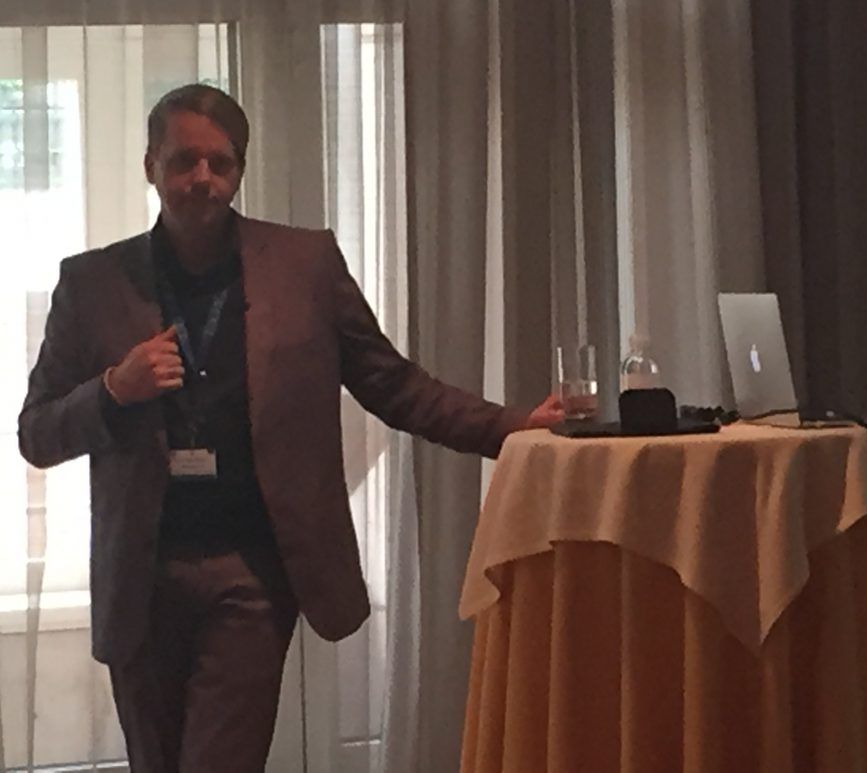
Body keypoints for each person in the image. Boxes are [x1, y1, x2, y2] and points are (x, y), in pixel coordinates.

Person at [18, 83, 563, 772]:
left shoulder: (305, 266)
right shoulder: (92, 283)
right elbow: (37, 433)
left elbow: (394, 385)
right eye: (184, 160)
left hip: (252, 573)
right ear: (150, 165)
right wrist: (112, 390)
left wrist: (510, 428)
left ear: (240, 171)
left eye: (221, 162)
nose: (203, 178)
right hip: (142, 578)